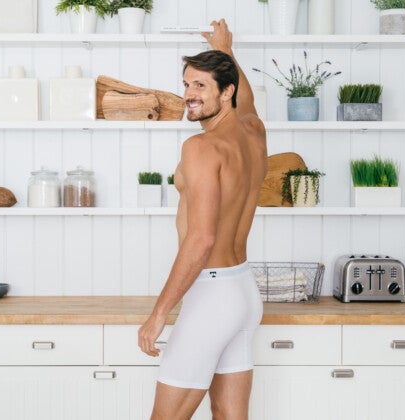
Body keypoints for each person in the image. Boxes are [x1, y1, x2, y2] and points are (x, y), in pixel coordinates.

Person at [138, 18, 267, 419]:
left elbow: (201, 239)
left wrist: (159, 314)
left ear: (226, 92)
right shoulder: (254, 131)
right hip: (242, 292)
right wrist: (226, 50)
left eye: (201, 86)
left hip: (212, 296)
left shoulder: (201, 147)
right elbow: (247, 99)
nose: (189, 95)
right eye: (187, 84)